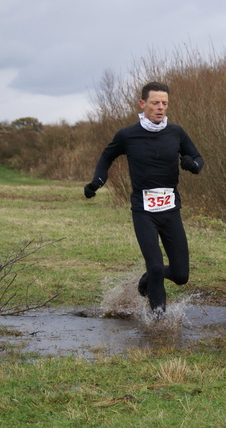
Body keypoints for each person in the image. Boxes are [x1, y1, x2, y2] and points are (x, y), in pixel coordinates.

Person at [84, 82, 204, 316]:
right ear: (142, 104)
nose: (160, 107)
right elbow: (107, 156)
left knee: (181, 275)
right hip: (144, 211)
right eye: (155, 103)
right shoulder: (128, 135)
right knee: (157, 265)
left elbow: (198, 158)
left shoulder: (176, 133)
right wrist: (97, 181)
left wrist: (193, 164)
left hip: (170, 210)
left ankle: (149, 277)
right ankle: (158, 322)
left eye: (165, 103)